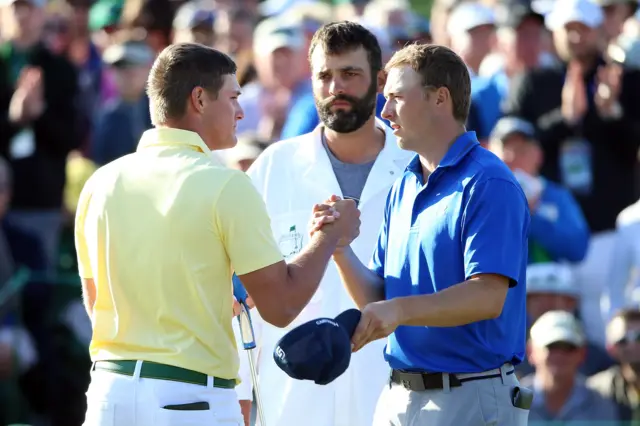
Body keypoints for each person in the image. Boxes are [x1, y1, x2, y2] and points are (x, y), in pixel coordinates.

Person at [74, 43, 360, 426]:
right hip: (189, 400)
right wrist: (328, 237)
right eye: (232, 97)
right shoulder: (226, 186)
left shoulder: (100, 182)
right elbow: (282, 306)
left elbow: (98, 303)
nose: (241, 111)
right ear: (199, 100)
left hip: (109, 396)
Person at [312, 44, 530, 425]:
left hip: (470, 397)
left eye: (396, 97)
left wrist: (398, 311)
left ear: (440, 99)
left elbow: (487, 296)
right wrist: (339, 247)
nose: (384, 111)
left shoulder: (490, 182)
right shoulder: (405, 183)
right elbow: (378, 297)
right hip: (398, 397)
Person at [233, 22, 413, 426]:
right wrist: (240, 397)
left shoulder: (417, 170)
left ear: (379, 81)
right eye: (325, 76)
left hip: (395, 397)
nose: (336, 88)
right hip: (290, 404)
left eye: (350, 74)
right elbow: (240, 297)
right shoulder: (272, 168)